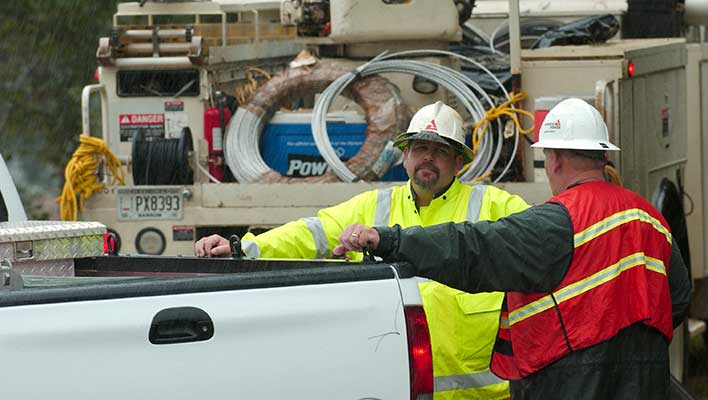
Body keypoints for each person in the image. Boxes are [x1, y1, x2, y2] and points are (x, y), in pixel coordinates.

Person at [334, 98, 693, 400]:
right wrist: (629, 345)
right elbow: (677, 297)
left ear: (552, 159)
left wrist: (391, 240)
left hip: (572, 381)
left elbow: (471, 249)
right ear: (602, 157)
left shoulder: (557, 221)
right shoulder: (647, 216)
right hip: (646, 379)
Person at [196, 101, 529, 399]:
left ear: (459, 162)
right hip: (397, 388)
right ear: (405, 155)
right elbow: (310, 233)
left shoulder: (495, 205)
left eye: (440, 151)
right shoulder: (375, 206)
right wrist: (243, 248)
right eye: (420, 148)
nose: (428, 157)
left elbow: (543, 241)